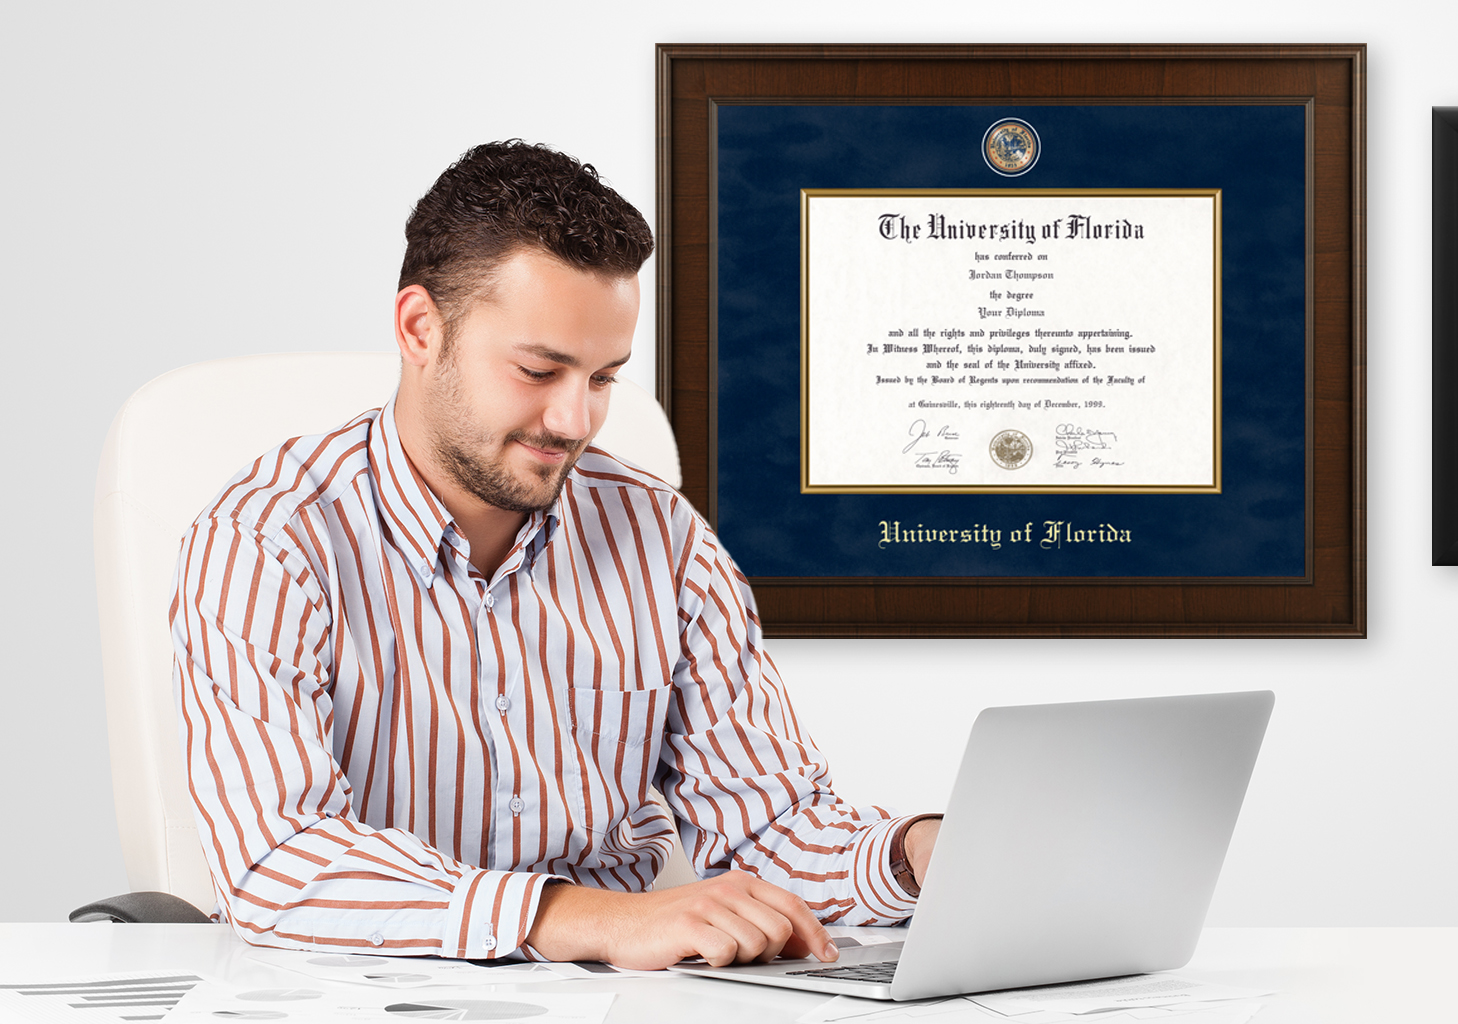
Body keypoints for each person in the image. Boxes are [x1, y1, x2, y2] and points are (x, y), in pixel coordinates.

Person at [171, 140, 940, 970]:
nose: (576, 421)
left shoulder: (665, 544)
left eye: (605, 378)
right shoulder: (267, 541)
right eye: (540, 370)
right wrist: (597, 920)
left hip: (627, 999)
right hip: (363, 994)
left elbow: (768, 828)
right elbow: (278, 861)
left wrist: (920, 853)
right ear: (420, 328)